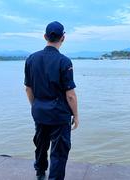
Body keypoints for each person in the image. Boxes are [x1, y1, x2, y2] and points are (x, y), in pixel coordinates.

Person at [24, 21, 79, 180]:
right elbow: (70, 95)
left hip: (39, 110)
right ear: (63, 38)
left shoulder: (31, 59)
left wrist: (36, 105)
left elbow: (28, 88)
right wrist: (76, 115)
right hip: (59, 113)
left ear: (45, 36)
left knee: (40, 143)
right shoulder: (64, 62)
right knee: (59, 151)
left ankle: (40, 172)